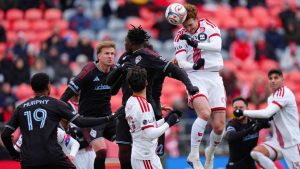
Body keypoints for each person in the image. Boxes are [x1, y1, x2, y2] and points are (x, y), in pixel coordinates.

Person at [107, 25, 199, 169]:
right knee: (124, 151)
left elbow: (175, 70)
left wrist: (190, 86)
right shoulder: (125, 57)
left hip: (148, 107)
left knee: (153, 151)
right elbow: (112, 88)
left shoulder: (151, 57)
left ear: (131, 42)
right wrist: (120, 69)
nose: (124, 44)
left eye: (126, 41)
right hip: (128, 108)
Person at [0, 73, 119, 169]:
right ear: (48, 86)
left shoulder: (21, 108)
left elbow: (5, 134)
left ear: (32, 88)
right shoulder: (56, 104)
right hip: (52, 158)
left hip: (28, 161)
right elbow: (81, 122)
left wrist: (13, 154)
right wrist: (107, 118)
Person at [173, 3, 226, 169]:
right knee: (204, 113)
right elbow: (181, 61)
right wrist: (194, 67)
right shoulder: (180, 36)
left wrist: (196, 44)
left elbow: (217, 47)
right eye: (185, 25)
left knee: (219, 126)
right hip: (195, 77)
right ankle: (194, 154)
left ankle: (210, 152)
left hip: (214, 76)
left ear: (196, 18)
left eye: (190, 24)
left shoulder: (209, 26)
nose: (188, 28)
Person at [60, 41, 118, 169]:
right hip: (89, 120)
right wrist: (57, 108)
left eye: (112, 54)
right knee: (102, 151)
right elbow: (68, 92)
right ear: (98, 56)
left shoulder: (115, 71)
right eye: (107, 53)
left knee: (126, 146)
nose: (110, 56)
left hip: (108, 118)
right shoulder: (88, 70)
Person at [234, 69, 300, 169]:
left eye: (276, 78)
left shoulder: (284, 92)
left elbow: (267, 113)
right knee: (256, 153)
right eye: (270, 78)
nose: (273, 80)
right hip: (277, 142)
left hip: (292, 143)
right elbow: (270, 118)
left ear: (283, 80)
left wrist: (243, 112)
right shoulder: (271, 98)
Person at [125, 66, 181, 169]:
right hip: (146, 157)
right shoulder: (144, 106)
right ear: (146, 82)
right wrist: (169, 123)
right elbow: (150, 133)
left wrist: (166, 119)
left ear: (129, 85)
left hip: (141, 154)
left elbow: (144, 127)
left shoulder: (130, 102)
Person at [225, 97, 269, 169]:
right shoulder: (232, 124)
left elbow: (267, 124)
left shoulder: (253, 121)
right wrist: (252, 129)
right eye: (235, 108)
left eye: (241, 107)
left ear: (247, 109)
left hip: (251, 166)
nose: (238, 110)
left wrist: (260, 120)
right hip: (235, 166)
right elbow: (230, 137)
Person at [14, 127, 80, 164]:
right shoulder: (25, 135)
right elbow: (15, 150)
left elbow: (75, 143)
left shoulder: (56, 131)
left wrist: (72, 155)